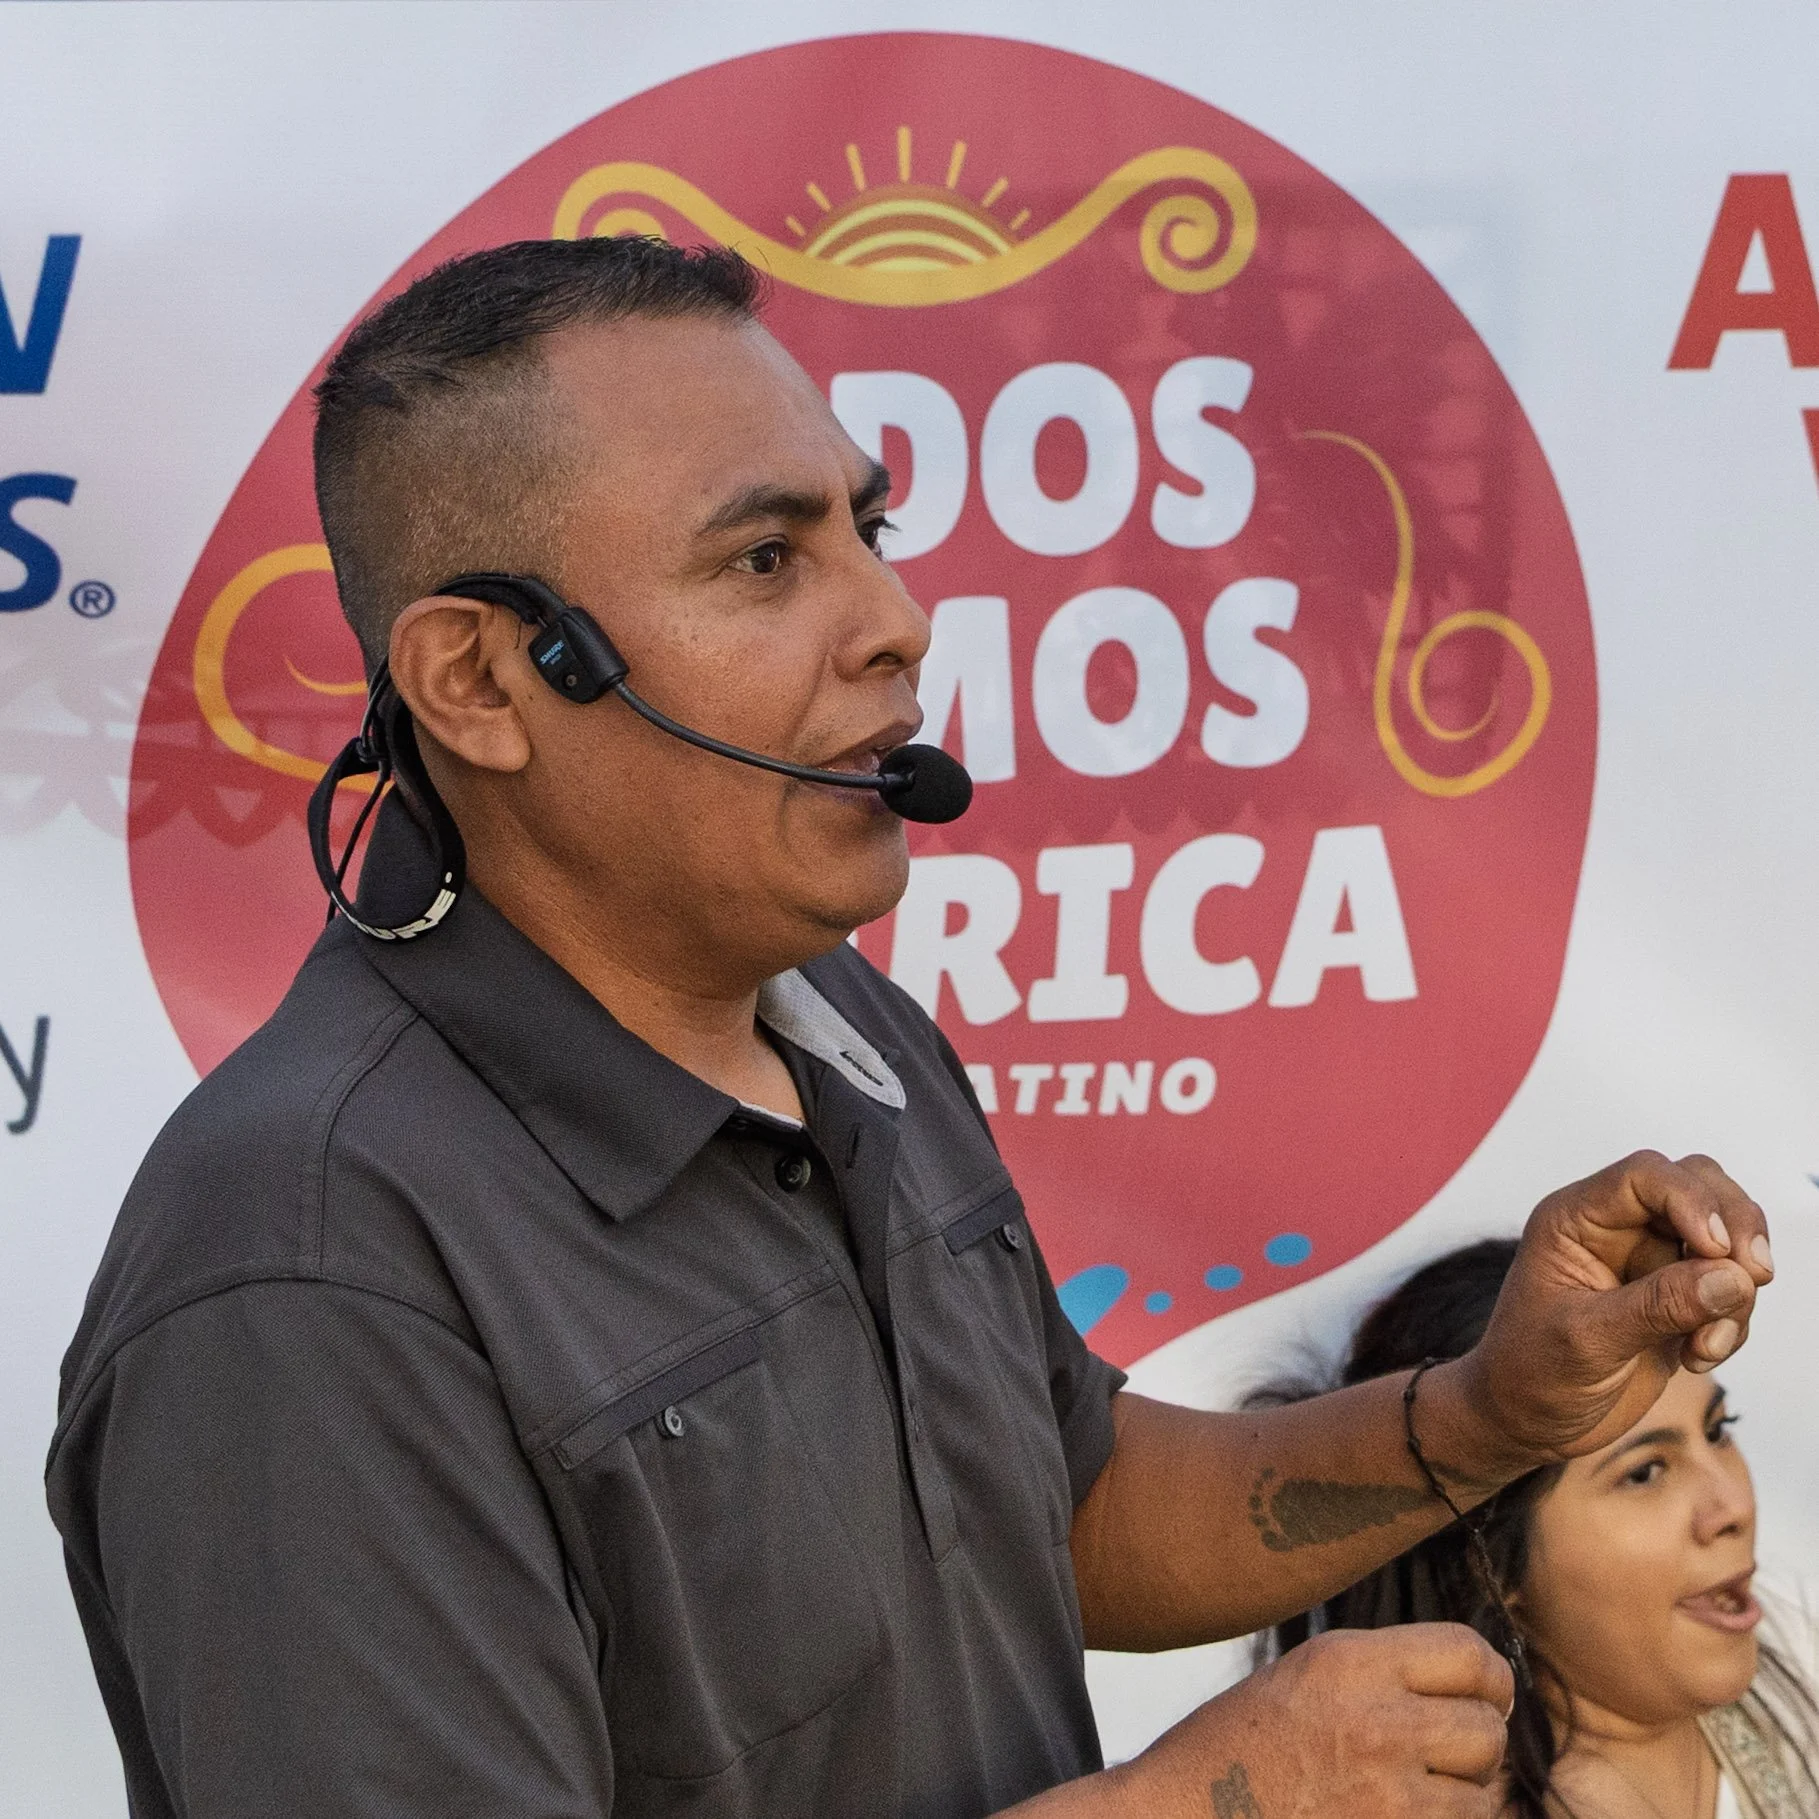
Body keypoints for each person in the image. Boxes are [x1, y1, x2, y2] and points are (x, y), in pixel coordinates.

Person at [45, 235, 1776, 1819]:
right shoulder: (308, 1265)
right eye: (762, 557)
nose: (894, 621)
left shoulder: (838, 1024)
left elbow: (1063, 1505)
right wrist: (1199, 1805)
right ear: (483, 680)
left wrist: (1483, 1410)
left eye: (861, 531)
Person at [1261, 1239, 1817, 1817]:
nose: (1733, 1508)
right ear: (1493, 1566)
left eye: (1718, 1429)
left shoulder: (1801, 1660)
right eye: (1645, 1473)